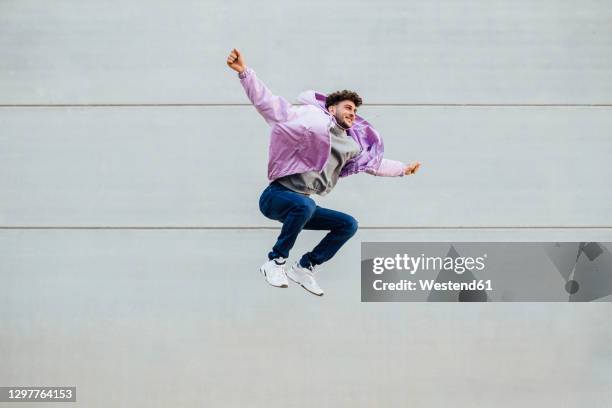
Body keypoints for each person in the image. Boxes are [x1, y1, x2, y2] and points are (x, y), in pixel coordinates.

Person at [226, 48, 421, 296]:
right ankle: (275, 262)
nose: (352, 113)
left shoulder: (351, 145)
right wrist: (245, 73)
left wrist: (403, 169)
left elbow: (372, 165)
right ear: (331, 109)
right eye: (348, 107)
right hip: (276, 196)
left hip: (303, 203)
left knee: (348, 224)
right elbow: (269, 104)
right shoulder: (309, 121)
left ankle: (305, 266)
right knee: (304, 207)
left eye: (355, 111)